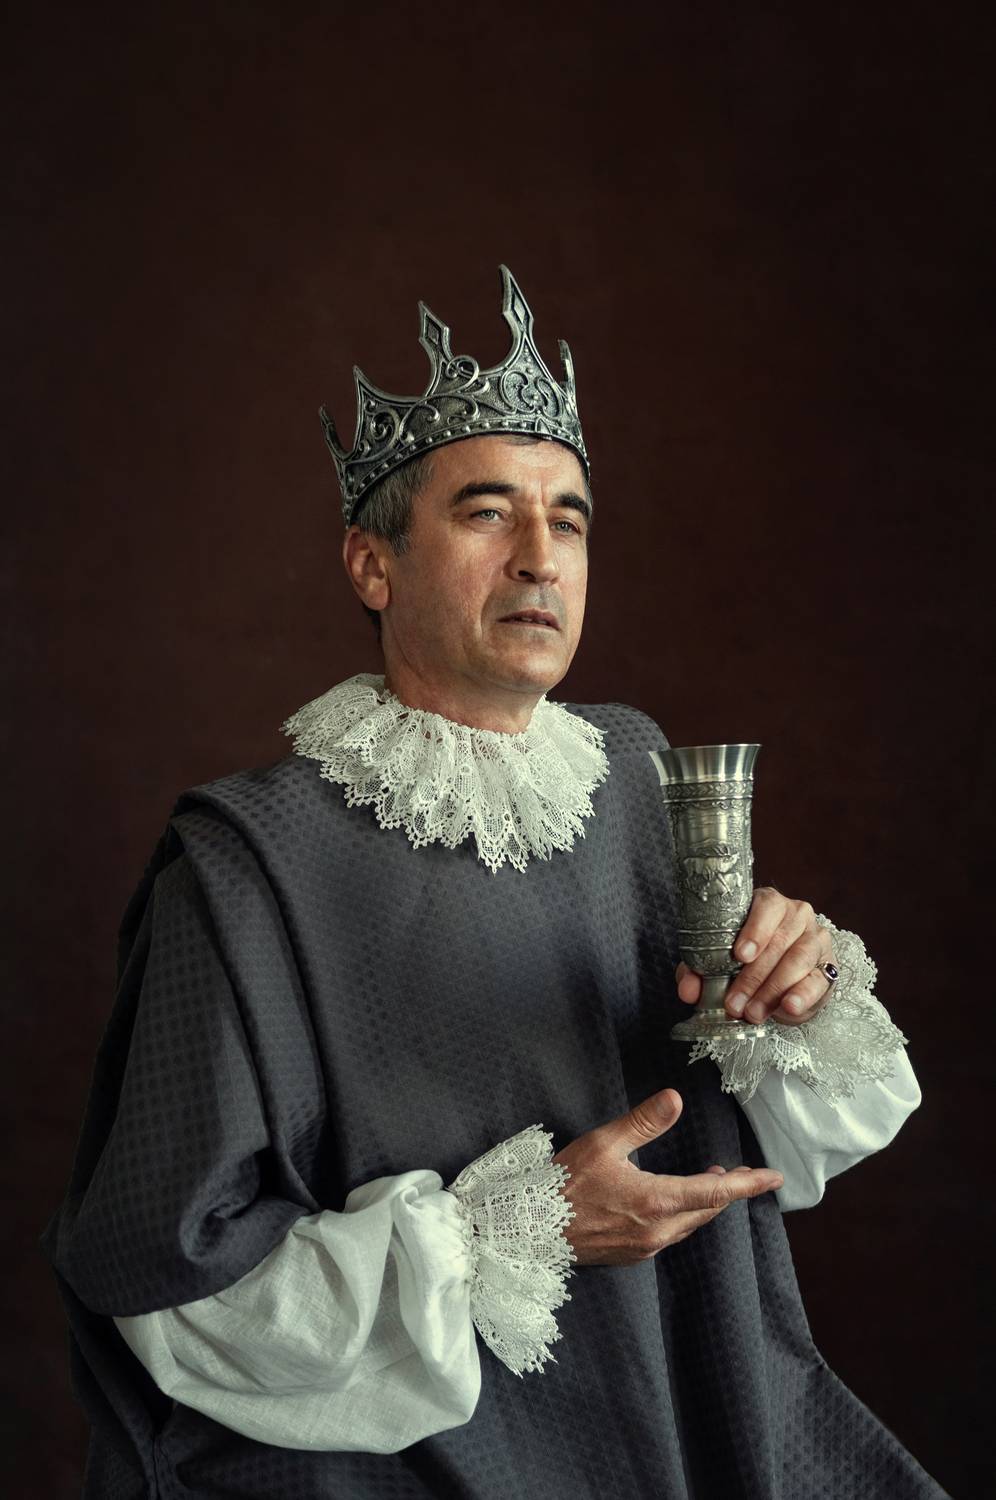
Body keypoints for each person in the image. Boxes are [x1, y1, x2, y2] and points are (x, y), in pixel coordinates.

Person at [40, 267, 949, 1499]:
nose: (540, 559)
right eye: (486, 514)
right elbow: (172, 1286)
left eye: (569, 521)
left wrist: (796, 994)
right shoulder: (249, 862)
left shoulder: (633, 778)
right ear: (372, 565)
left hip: (696, 1398)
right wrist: (514, 1236)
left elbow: (798, 1138)